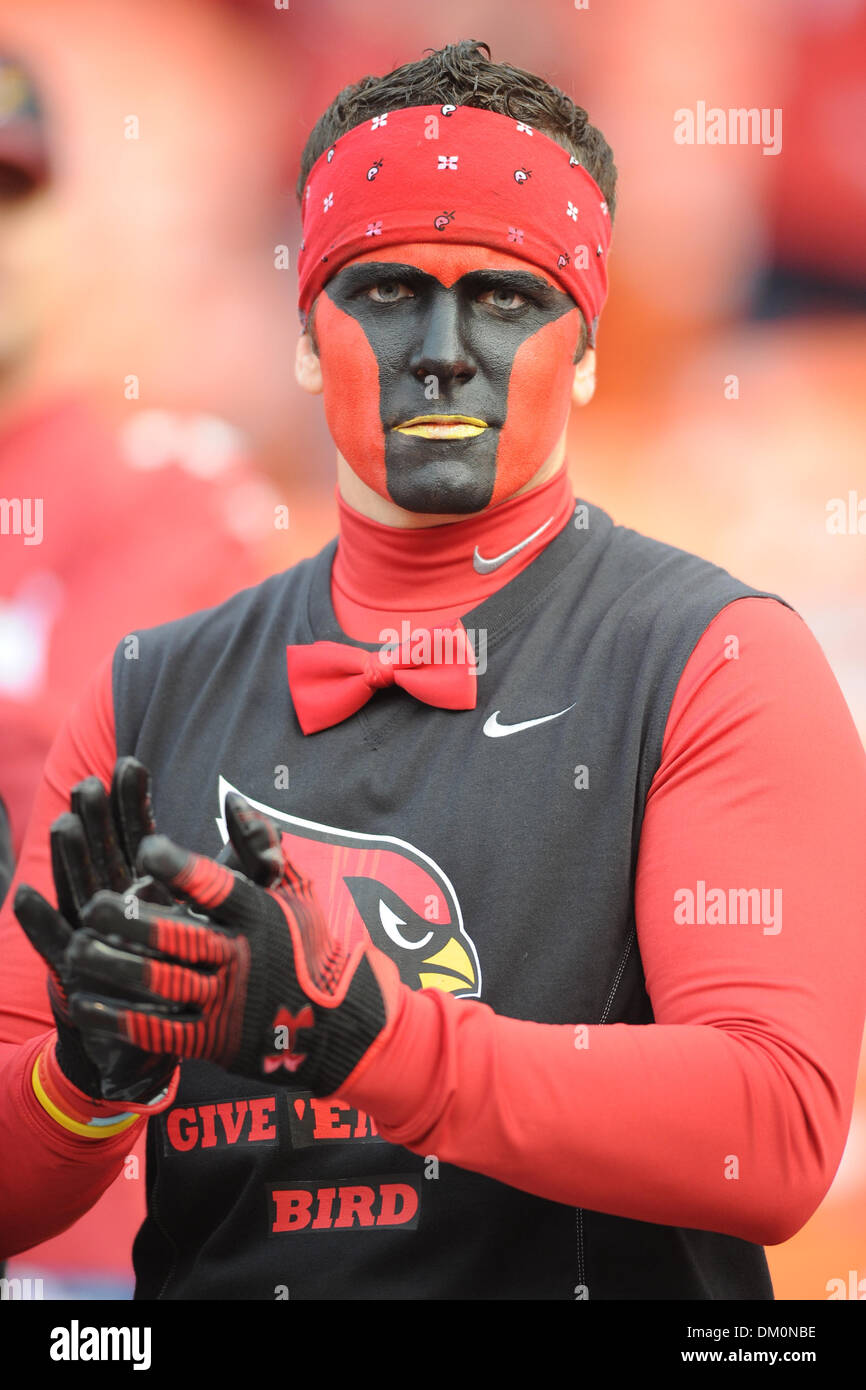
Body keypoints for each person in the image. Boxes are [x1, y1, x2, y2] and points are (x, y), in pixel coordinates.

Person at [2, 39, 865, 1301]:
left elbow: (774, 1134)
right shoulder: (152, 686)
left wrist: (371, 1037)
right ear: (307, 338)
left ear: (582, 349)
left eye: (507, 297)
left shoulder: (718, 657)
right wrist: (85, 1076)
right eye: (389, 289)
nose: (444, 349)